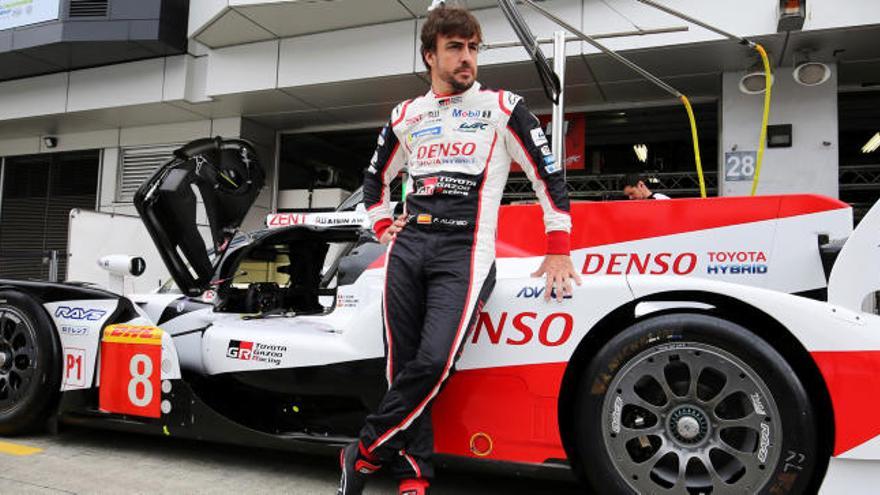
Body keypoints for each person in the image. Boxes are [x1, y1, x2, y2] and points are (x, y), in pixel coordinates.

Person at [339, 6, 580, 495]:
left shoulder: (503, 106)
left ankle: (362, 450)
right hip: (408, 250)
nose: (467, 58)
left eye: (473, 48)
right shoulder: (406, 115)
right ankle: (413, 472)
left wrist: (559, 247)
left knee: (433, 363)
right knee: (401, 367)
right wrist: (384, 223)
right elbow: (373, 181)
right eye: (455, 47)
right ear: (430, 55)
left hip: (465, 251)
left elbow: (547, 176)